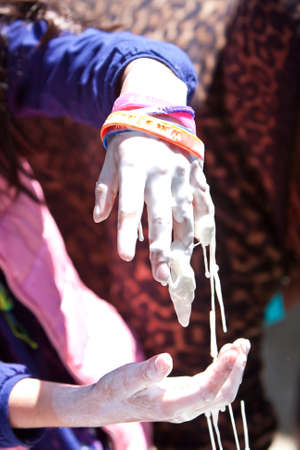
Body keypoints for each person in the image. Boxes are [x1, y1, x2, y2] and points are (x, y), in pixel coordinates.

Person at [0, 1, 249, 449]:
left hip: (103, 384)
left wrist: (147, 114)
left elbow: (112, 58)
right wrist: (85, 404)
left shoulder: (8, 50)